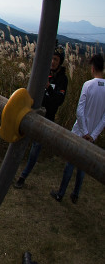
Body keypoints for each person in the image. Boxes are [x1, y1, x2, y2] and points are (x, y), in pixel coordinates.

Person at [50, 53, 105, 204]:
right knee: (83, 165)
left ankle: (61, 194)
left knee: (71, 163)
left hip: (80, 132)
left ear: (93, 68)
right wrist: (93, 135)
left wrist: (84, 131)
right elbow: (104, 118)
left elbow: (79, 111)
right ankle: (75, 194)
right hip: (92, 136)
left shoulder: (88, 85)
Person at [13, 49, 68, 188]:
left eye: (56, 59)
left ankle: (22, 177)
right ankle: (11, 170)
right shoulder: (44, 73)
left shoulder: (62, 79)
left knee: (34, 151)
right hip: (31, 113)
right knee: (20, 142)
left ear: (60, 61)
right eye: (52, 58)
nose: (53, 62)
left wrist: (49, 88)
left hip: (46, 119)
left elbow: (58, 100)